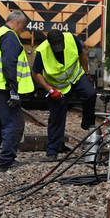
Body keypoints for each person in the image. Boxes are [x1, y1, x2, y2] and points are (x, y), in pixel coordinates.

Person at [0, 10, 34, 173]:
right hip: (3, 87)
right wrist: (13, 89)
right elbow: (8, 63)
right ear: (17, 23)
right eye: (22, 27)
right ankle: (7, 161)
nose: (22, 31)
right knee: (15, 123)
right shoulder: (10, 36)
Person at [31, 30, 97, 160]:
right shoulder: (42, 51)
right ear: (49, 44)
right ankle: (52, 152)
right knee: (56, 116)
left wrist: (87, 73)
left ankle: (87, 122)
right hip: (57, 86)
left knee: (90, 93)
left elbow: (82, 54)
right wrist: (49, 89)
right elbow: (36, 73)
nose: (59, 50)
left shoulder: (72, 39)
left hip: (76, 77)